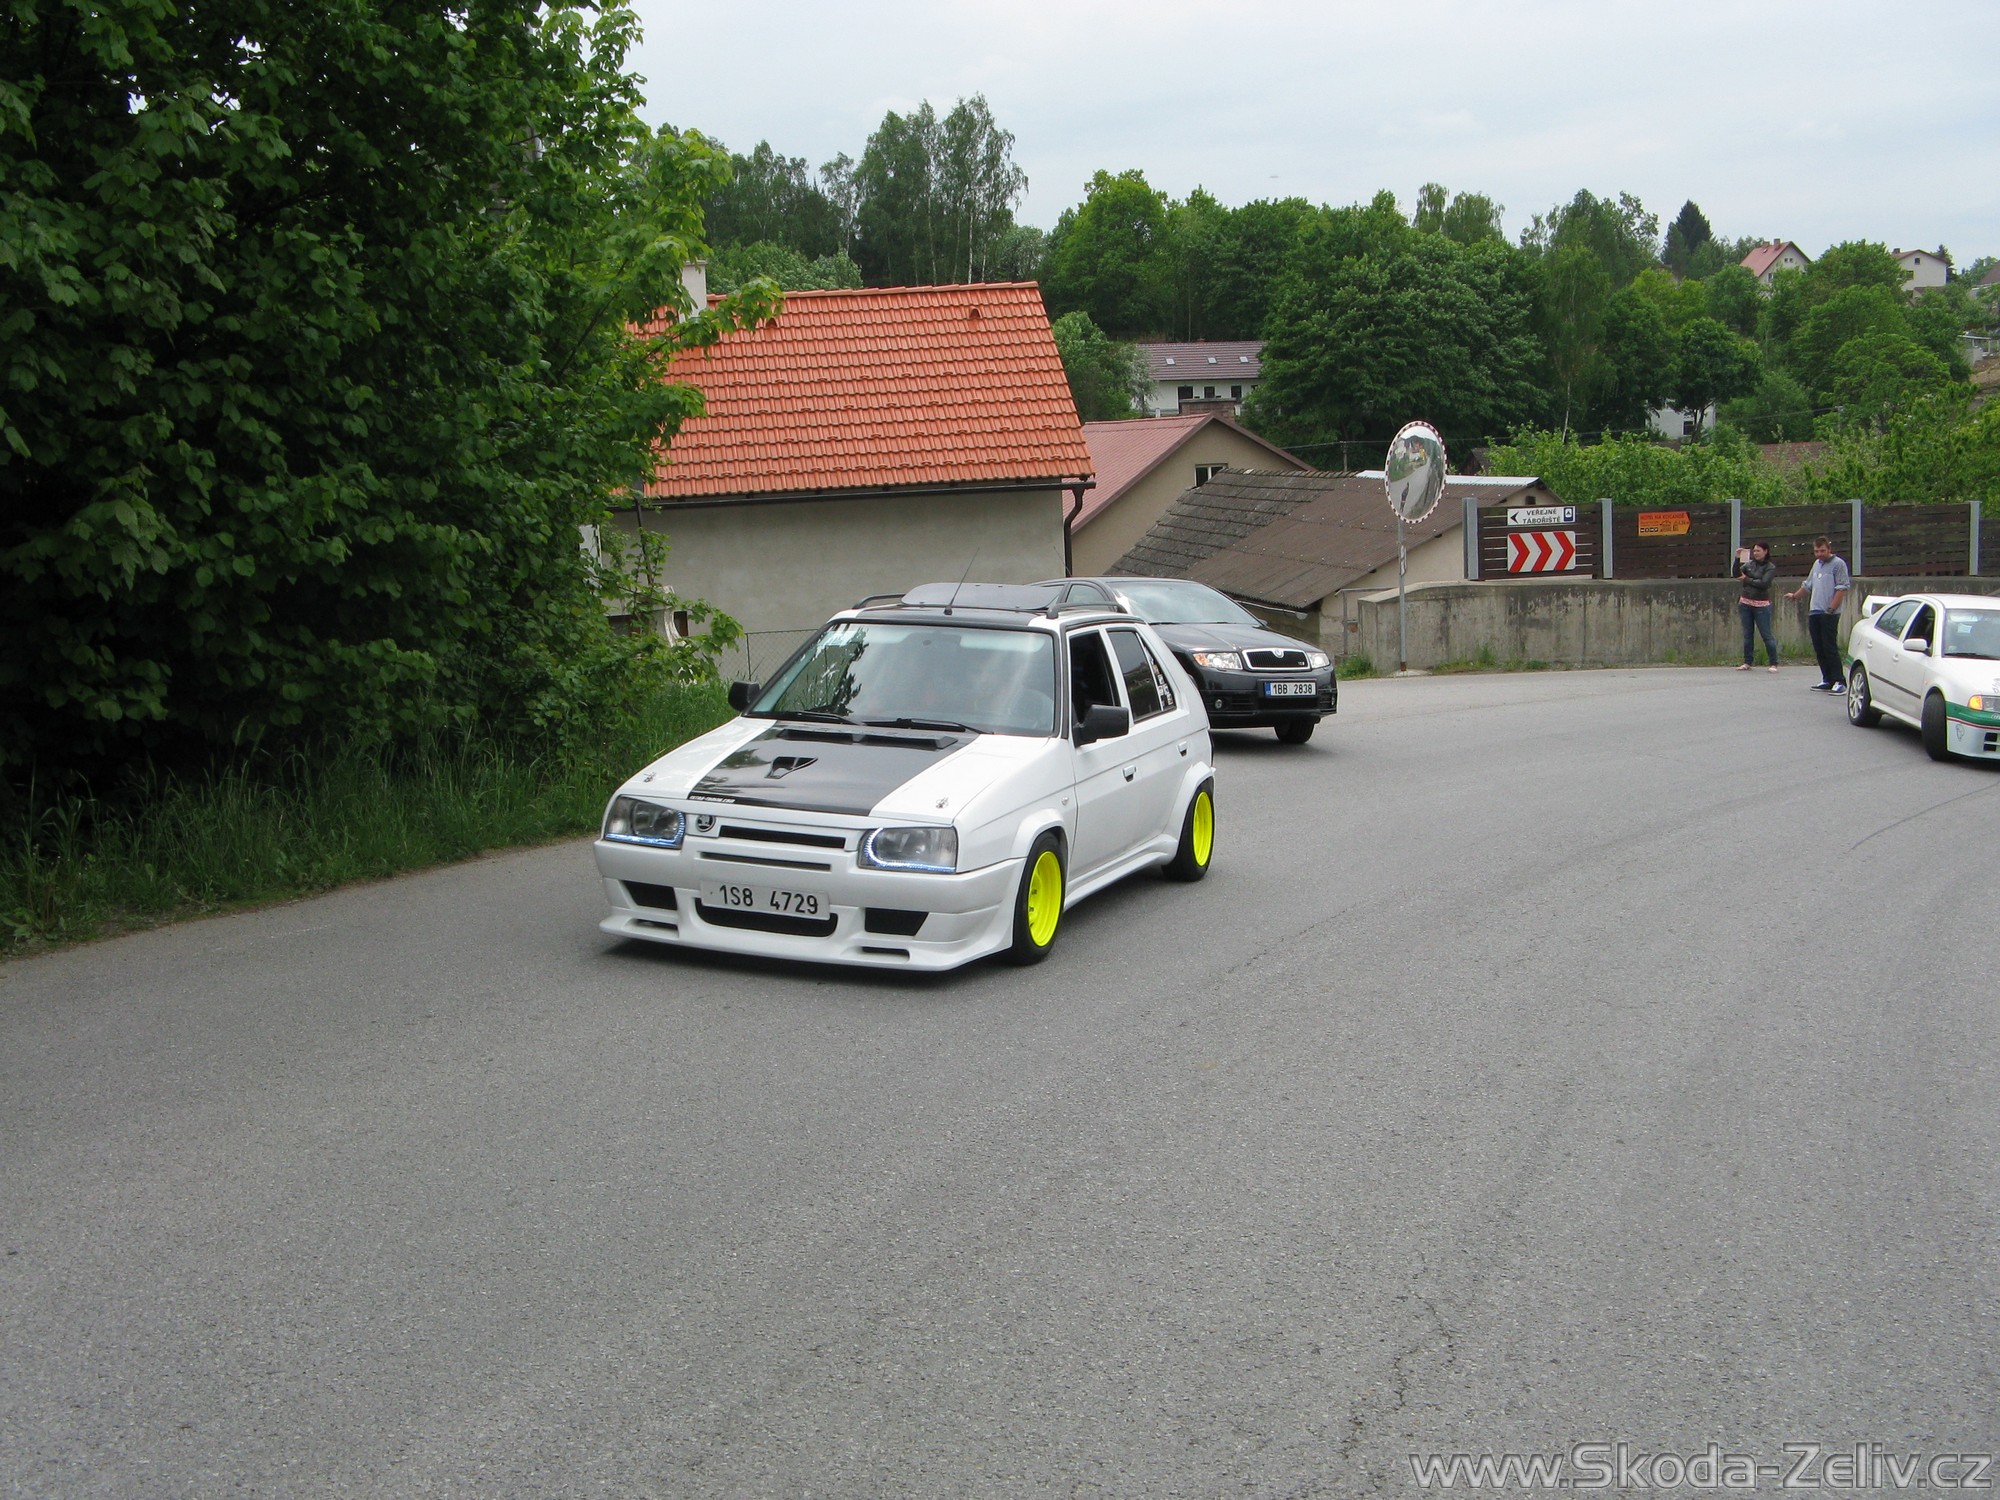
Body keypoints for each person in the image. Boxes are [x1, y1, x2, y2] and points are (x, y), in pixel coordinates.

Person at [1784, 535, 1850, 693]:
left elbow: (1842, 588)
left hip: (1829, 613)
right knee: (1819, 647)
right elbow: (1808, 585)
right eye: (1816, 551)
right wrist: (1795, 596)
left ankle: (1839, 681)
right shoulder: (1817, 564)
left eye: (1822, 551)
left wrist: (1831, 609)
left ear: (1829, 549)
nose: (1819, 554)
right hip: (1815, 611)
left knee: (1829, 647)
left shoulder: (1838, 564)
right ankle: (1827, 679)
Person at [1731, 541, 1779, 672]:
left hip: (1761, 605)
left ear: (1765, 551)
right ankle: (1747, 662)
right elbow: (1736, 574)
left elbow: (1764, 583)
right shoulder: (1749, 564)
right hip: (1745, 602)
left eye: (1758, 550)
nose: (1756, 553)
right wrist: (1737, 559)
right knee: (1748, 634)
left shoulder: (1770, 567)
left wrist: (1747, 579)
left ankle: (1773, 663)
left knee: (1766, 634)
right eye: (1754, 551)